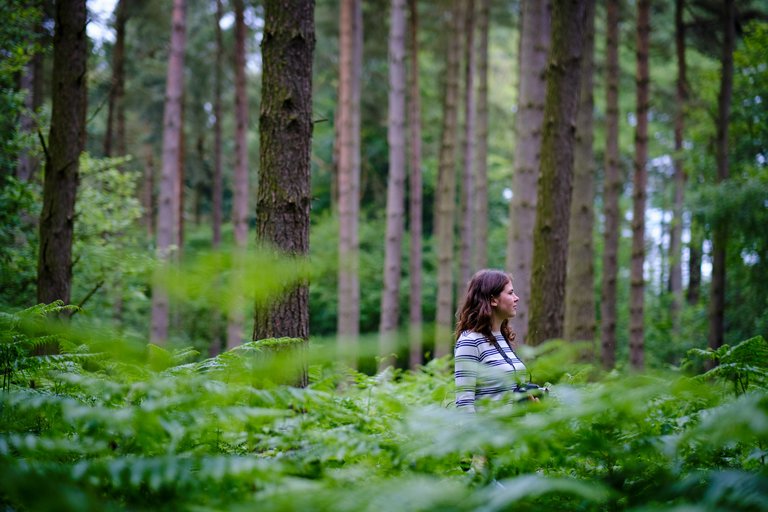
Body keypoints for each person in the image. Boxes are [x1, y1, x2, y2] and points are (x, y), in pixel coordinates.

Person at [454, 269, 530, 413]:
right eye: (510, 293)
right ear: (493, 300)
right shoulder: (470, 342)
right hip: (489, 433)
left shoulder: (503, 338)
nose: (516, 298)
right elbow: (464, 404)